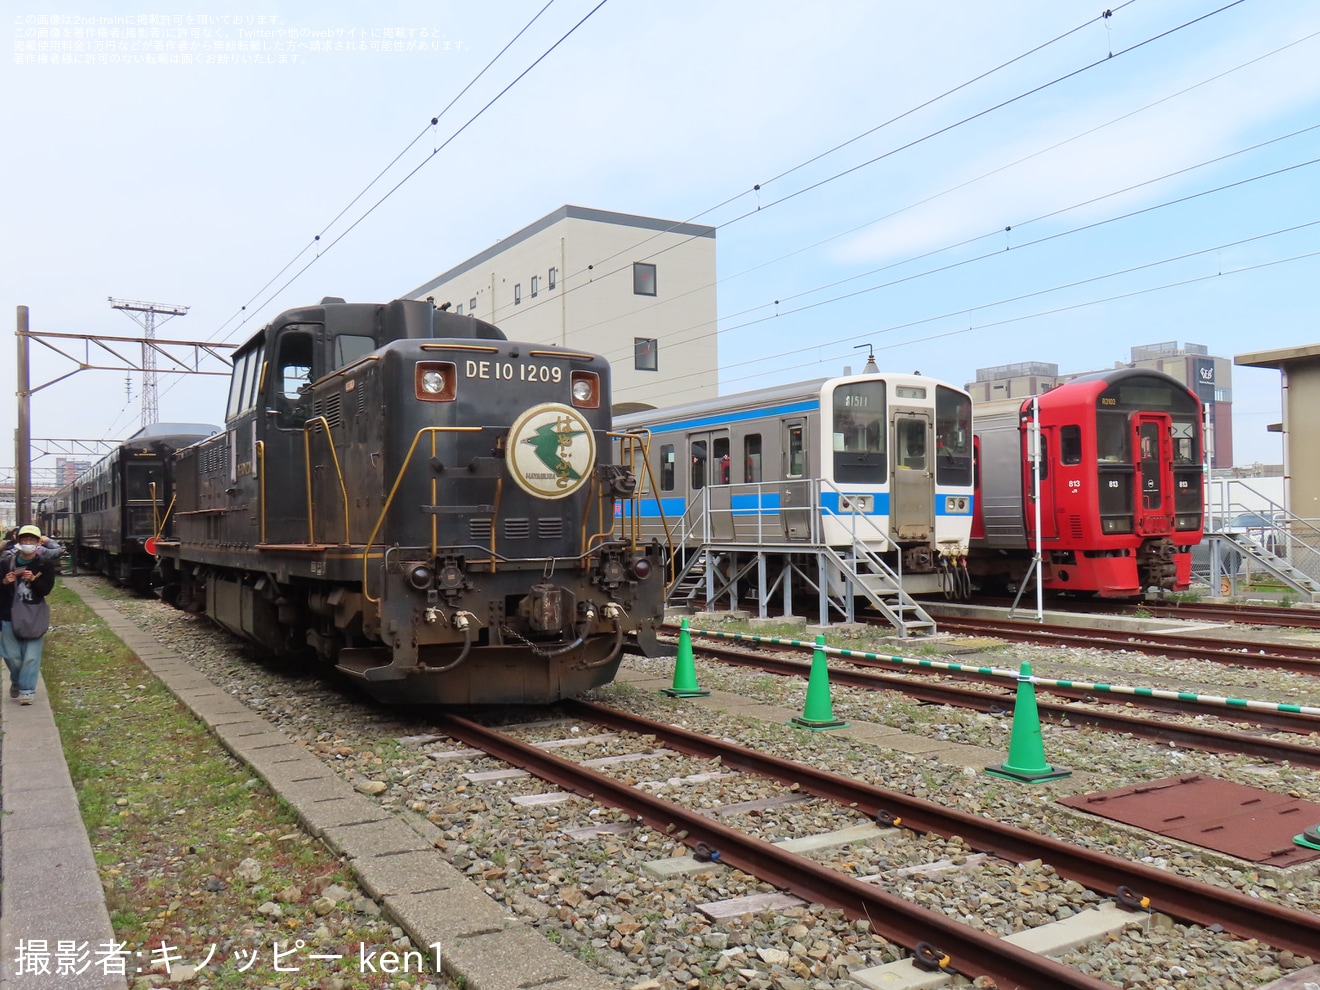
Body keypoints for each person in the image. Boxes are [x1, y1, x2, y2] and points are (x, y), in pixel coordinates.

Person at [2, 525, 59, 705]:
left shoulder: (44, 564)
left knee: (31, 656)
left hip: (34, 614)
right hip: (8, 614)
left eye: (31, 540)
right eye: (24, 539)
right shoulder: (6, 562)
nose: (28, 543)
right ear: (18, 541)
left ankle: (27, 690)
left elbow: (46, 590)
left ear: (38, 542)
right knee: (11, 656)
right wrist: (4, 582)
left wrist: (34, 580)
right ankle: (16, 680)